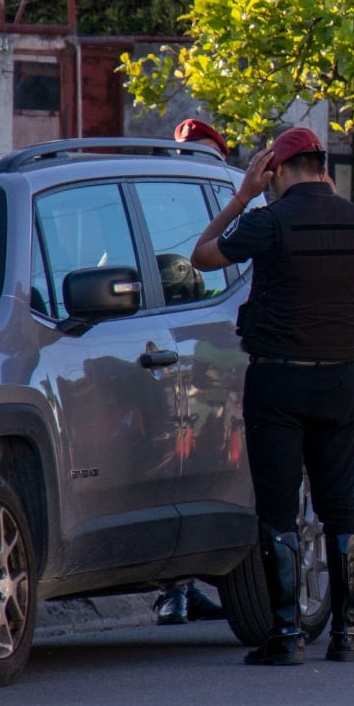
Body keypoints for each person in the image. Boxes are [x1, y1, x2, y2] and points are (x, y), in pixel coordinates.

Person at [191, 126, 354, 665]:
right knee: (339, 504)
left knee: (279, 507)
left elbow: (202, 256)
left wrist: (241, 195)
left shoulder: (267, 220)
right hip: (338, 381)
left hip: (278, 382)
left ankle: (286, 634)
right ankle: (347, 634)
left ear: (274, 171)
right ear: (323, 167)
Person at [149, 117, 234, 625]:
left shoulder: (223, 204)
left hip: (216, 362)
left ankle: (183, 588)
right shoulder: (164, 207)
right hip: (176, 364)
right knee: (175, 466)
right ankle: (176, 588)